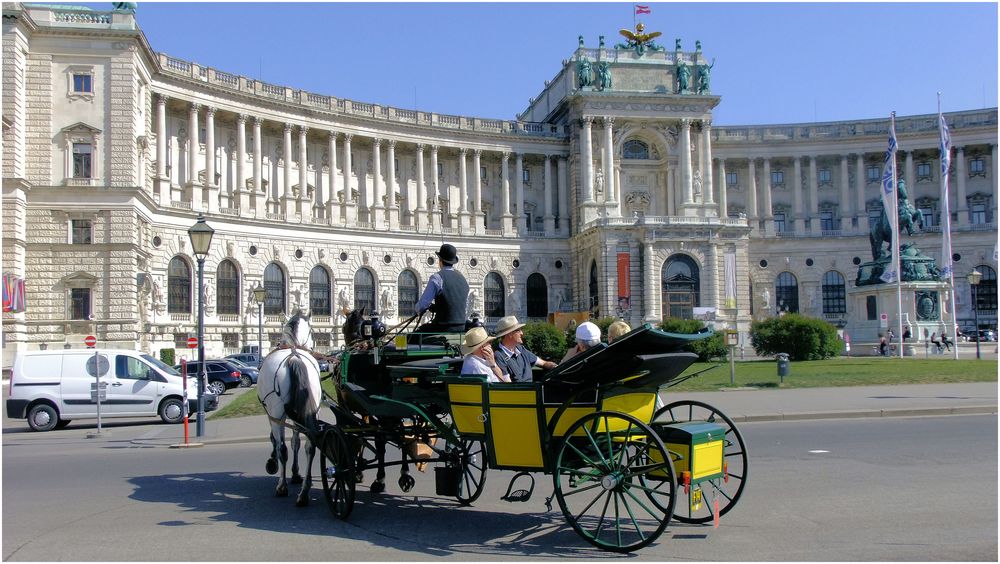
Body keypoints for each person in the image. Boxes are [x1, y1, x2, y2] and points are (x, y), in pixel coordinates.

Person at [413, 243, 469, 334]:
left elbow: (423, 304)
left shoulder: (437, 278)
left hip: (442, 328)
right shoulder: (463, 279)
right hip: (462, 327)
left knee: (411, 337)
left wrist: (417, 309)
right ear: (453, 262)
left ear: (440, 261)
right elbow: (462, 306)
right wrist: (438, 308)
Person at [493, 315, 557, 383]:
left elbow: (544, 363)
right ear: (510, 334)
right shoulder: (498, 355)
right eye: (518, 330)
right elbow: (508, 385)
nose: (522, 333)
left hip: (532, 391)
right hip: (520, 392)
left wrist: (556, 367)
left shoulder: (521, 350)